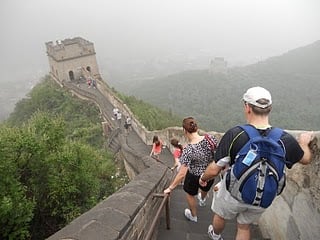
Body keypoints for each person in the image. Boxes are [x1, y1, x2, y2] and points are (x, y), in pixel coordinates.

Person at [199, 86, 313, 240]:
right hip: (263, 197)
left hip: (233, 193)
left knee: (220, 215)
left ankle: (215, 235)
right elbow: (305, 159)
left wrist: (203, 179)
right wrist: (304, 143)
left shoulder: (235, 134)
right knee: (244, 226)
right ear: (270, 109)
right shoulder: (284, 139)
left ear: (247, 107)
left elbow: (214, 170)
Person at [164, 117, 219, 223]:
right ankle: (202, 200)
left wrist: (170, 188)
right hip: (209, 174)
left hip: (193, 175)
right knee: (205, 188)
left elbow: (182, 173)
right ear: (196, 128)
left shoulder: (189, 149)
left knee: (190, 194)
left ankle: (193, 216)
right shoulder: (210, 138)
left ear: (184, 131)